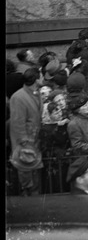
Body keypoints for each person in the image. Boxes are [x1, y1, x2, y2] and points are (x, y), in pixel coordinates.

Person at [9, 67, 44, 195]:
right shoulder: (18, 97)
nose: (43, 79)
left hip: (35, 142)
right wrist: (24, 142)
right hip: (25, 145)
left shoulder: (37, 93)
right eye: (41, 76)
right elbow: (18, 122)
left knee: (35, 180)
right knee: (27, 182)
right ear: (36, 79)